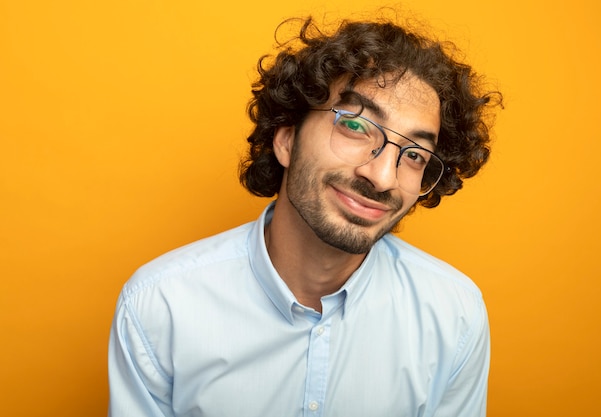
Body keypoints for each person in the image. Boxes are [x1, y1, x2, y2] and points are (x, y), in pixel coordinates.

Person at [108, 14, 502, 417]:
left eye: (414, 155)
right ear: (286, 139)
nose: (383, 177)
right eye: (354, 125)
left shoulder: (454, 317)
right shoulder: (159, 307)